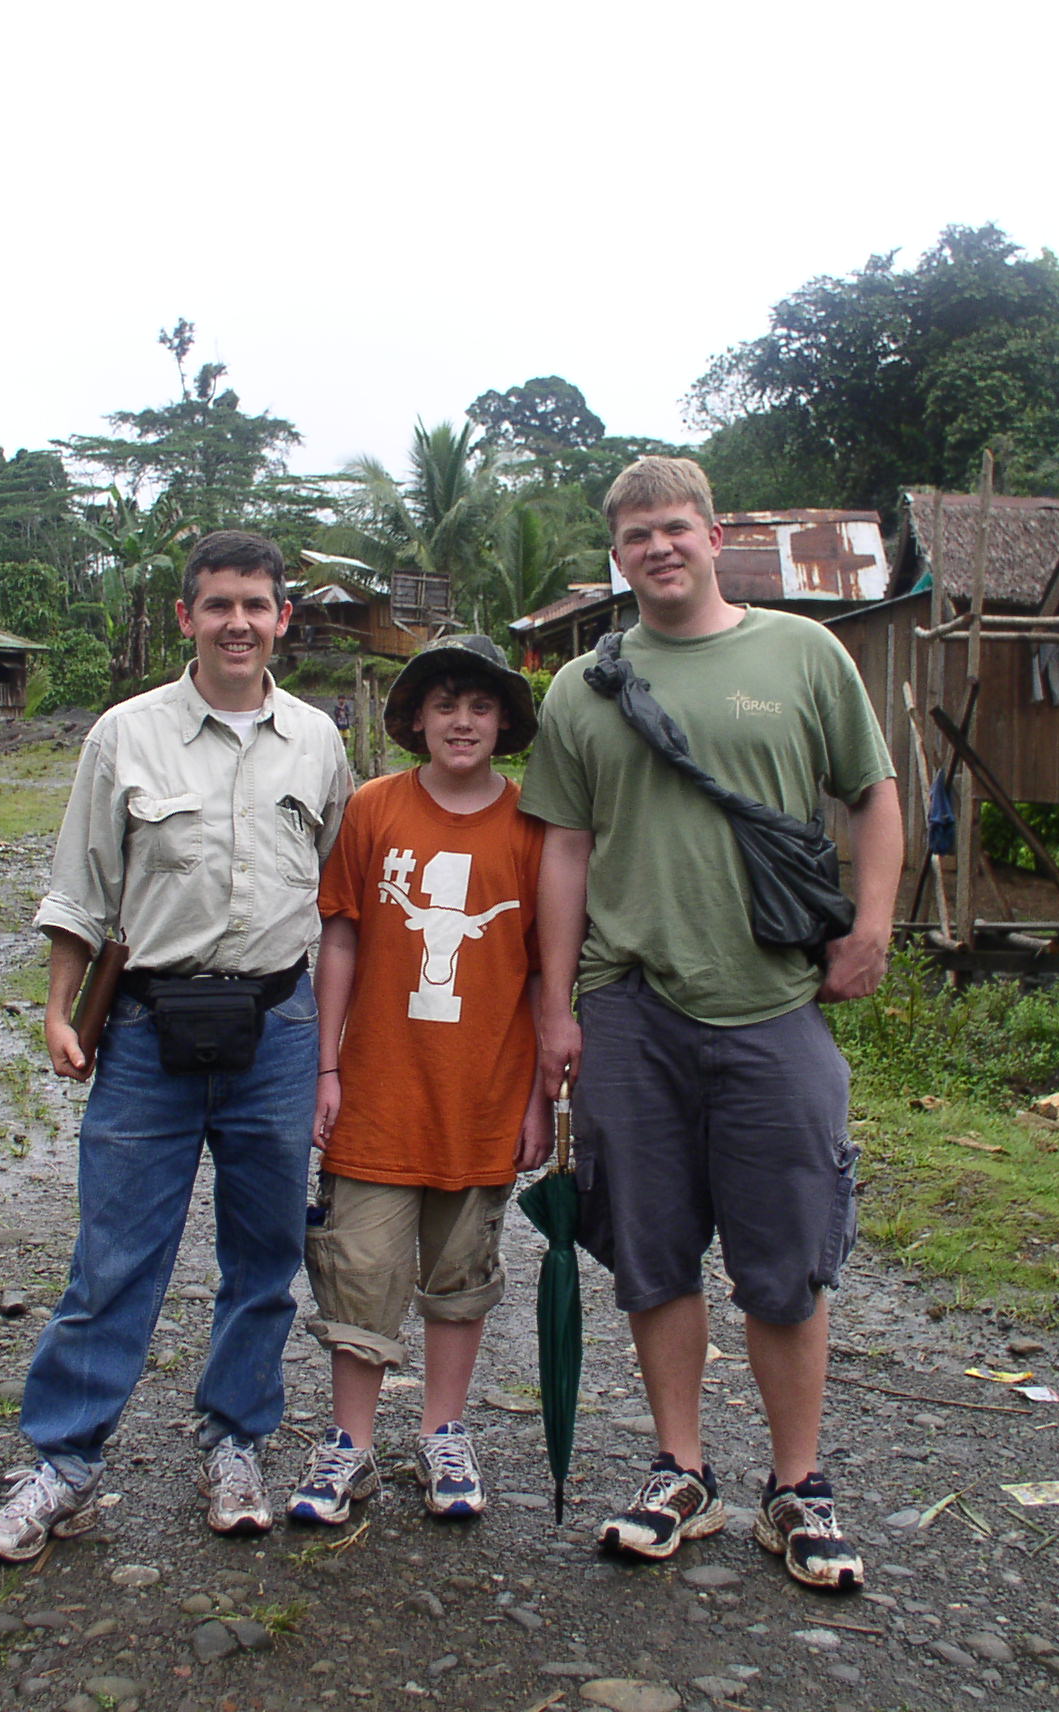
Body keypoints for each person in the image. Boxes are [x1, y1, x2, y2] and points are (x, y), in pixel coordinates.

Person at [520, 456, 901, 1590]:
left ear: (714, 532)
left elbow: (873, 792)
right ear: (616, 551)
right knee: (649, 1249)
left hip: (774, 1002)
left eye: (674, 527)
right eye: (635, 534)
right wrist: (554, 1004)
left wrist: (872, 925)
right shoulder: (580, 689)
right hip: (629, 1005)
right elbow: (563, 851)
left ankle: (798, 1486)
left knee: (784, 1256)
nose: (657, 548)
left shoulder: (802, 654)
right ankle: (680, 1468)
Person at [0, 531, 353, 1563]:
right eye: (218, 604)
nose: (238, 622)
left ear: (282, 620)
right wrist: (60, 1007)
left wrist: (330, 1049)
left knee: (264, 1258)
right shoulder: (123, 734)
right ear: (185, 617)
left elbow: (333, 892)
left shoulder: (316, 741)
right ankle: (65, 1463)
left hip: (273, 1029)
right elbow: (80, 887)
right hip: (143, 1031)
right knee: (113, 1257)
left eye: (257, 605)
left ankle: (234, 1439)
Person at [288, 635, 549, 1526]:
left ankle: (444, 1431)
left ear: (504, 721)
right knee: (357, 1263)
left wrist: (539, 1098)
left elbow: (548, 969)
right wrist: (326, 1063)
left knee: (460, 1267)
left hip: (484, 1093)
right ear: (418, 721)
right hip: (377, 1088)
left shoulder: (532, 826)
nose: (463, 721)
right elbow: (344, 934)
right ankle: (350, 1443)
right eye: (445, 705)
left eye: (479, 706)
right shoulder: (373, 811)